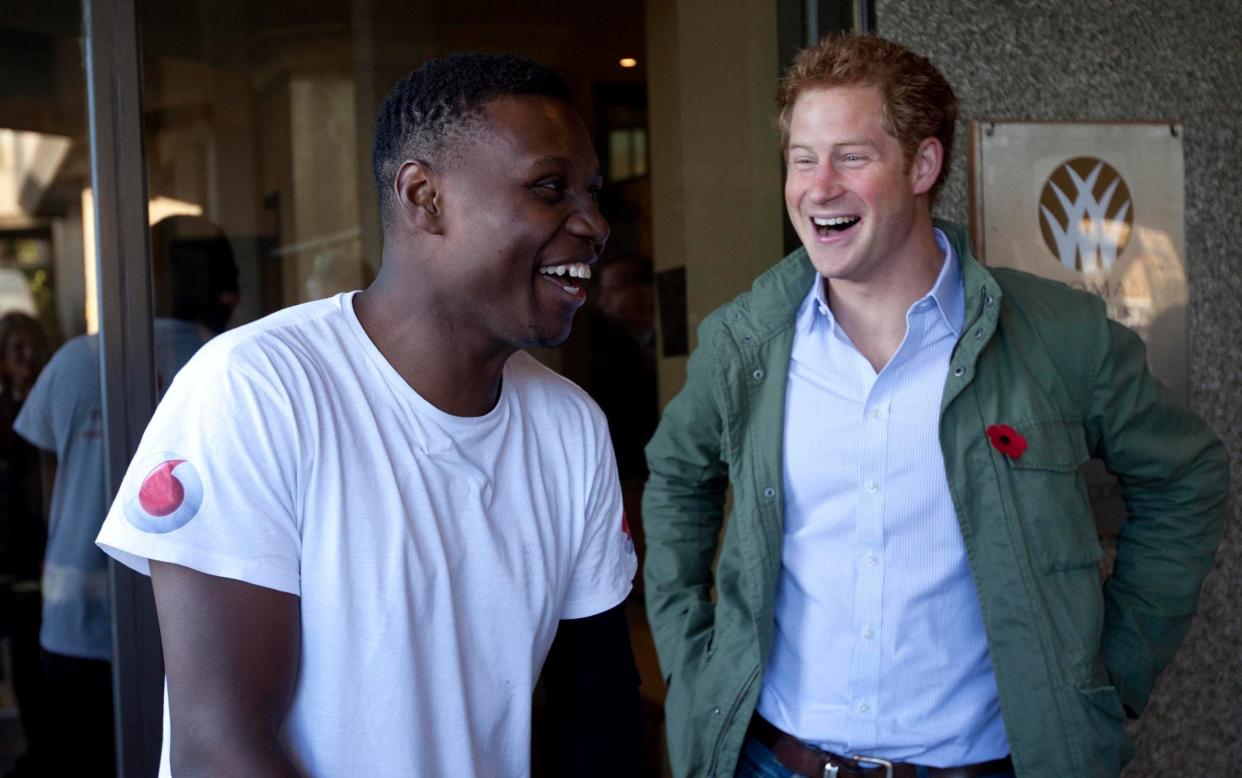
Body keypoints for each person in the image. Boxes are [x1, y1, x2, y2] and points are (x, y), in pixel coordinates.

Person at [642, 33, 1229, 778]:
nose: (818, 186)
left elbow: (1188, 477)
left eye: (851, 156)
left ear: (924, 165)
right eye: (801, 159)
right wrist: (695, 664)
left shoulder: (1058, 335)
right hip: (775, 761)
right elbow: (677, 477)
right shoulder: (746, 342)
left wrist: (1109, 672)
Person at [96, 53, 641, 777]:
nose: (594, 223)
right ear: (424, 196)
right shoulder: (257, 389)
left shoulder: (570, 427)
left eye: (592, 193)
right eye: (550, 188)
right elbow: (218, 743)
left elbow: (596, 720)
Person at [14, 216, 239, 776]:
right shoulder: (227, 364)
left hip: (70, 627)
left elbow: (39, 474)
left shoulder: (73, 362)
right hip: (183, 633)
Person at [0, 312, 48, 777]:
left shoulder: (49, 401)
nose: (28, 358)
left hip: (45, 547)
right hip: (9, 550)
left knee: (39, 654)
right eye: (18, 349)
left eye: (34, 346)